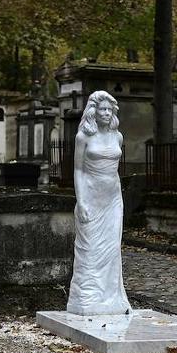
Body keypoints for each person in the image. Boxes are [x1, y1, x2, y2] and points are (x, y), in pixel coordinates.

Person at [67, 91, 132, 315]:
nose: (106, 113)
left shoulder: (118, 137)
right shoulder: (83, 137)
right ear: (93, 112)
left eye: (109, 109)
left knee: (111, 249)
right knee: (90, 248)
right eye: (102, 109)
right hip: (91, 198)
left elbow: (115, 169)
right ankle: (87, 298)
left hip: (113, 199)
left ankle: (110, 297)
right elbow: (77, 170)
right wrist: (81, 201)